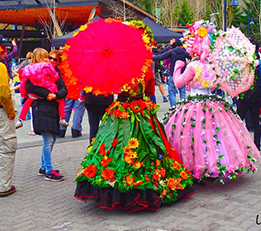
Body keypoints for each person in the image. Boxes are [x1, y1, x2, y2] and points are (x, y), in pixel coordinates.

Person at [74, 26, 194, 211]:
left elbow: (107, 85)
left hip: (119, 111)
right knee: (148, 144)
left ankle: (109, 181)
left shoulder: (116, 65)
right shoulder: (145, 68)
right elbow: (149, 92)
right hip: (140, 111)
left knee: (112, 143)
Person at [163, 22, 261, 181]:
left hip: (193, 105)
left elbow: (178, 83)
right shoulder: (214, 67)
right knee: (213, 135)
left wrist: (177, 67)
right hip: (212, 104)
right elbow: (218, 85)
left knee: (192, 136)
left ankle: (195, 168)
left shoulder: (193, 66)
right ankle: (212, 165)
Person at [25, 51, 67, 181]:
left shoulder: (56, 74)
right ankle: (49, 171)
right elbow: (29, 87)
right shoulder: (35, 72)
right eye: (50, 58)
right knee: (48, 140)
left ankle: (44, 167)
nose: (51, 61)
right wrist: (47, 93)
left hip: (52, 110)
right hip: (41, 109)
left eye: (54, 60)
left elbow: (64, 89)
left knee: (51, 139)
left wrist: (56, 95)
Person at [15, 48, 69, 129]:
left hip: (34, 95)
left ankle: (20, 119)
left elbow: (24, 83)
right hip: (50, 89)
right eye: (48, 57)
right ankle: (62, 118)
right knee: (61, 102)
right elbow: (55, 77)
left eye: (54, 59)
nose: (50, 60)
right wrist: (51, 93)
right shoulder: (47, 66)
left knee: (26, 104)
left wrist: (24, 95)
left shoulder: (28, 68)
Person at [237, 42, 261, 151]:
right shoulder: (260, 65)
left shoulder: (242, 64)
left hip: (243, 97)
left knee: (238, 121)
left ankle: (239, 145)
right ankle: (257, 146)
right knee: (256, 123)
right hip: (256, 97)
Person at [0, 35, 17, 197]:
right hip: (0, 112)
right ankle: (4, 186)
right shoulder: (0, 67)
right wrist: (11, 112)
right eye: (1, 46)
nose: (4, 50)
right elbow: (4, 93)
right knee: (6, 148)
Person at [52, 50, 85, 138]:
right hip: (79, 89)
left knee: (66, 109)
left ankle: (61, 129)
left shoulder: (62, 63)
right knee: (78, 109)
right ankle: (76, 129)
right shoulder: (81, 61)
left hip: (67, 90)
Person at [153, 39, 191, 107]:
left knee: (171, 92)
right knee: (182, 92)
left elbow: (160, 57)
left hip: (173, 74)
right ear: (182, 45)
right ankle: (183, 108)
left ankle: (173, 108)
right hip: (182, 75)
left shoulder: (171, 52)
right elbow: (192, 57)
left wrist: (149, 56)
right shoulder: (185, 53)